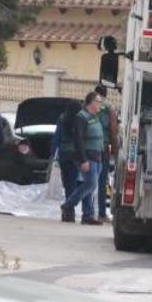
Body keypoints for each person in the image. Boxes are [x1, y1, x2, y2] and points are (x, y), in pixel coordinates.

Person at [60, 91, 103, 225]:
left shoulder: (94, 116)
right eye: (98, 101)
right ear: (91, 102)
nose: (100, 104)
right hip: (88, 156)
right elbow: (78, 139)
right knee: (91, 183)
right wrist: (83, 159)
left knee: (90, 186)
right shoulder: (81, 117)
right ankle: (68, 205)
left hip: (97, 156)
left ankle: (88, 215)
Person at [93, 84, 119, 221]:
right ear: (106, 94)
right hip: (102, 147)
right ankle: (101, 214)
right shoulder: (109, 107)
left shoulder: (89, 104)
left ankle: (88, 212)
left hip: (88, 146)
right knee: (102, 180)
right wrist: (114, 147)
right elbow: (113, 128)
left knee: (88, 180)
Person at [52, 99, 82, 208]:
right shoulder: (81, 119)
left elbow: (56, 136)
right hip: (76, 154)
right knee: (74, 181)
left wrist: (53, 152)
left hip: (63, 154)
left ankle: (68, 205)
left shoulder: (62, 118)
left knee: (66, 181)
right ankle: (70, 207)